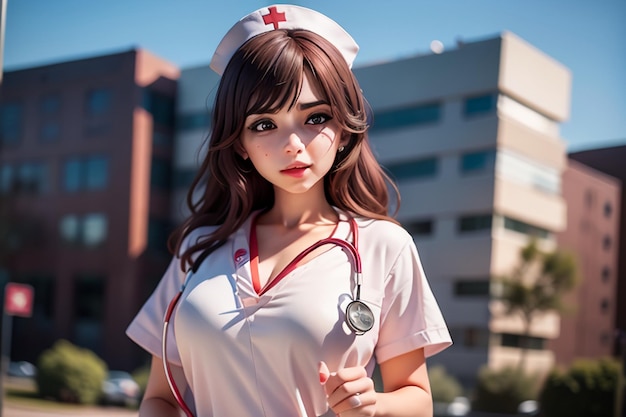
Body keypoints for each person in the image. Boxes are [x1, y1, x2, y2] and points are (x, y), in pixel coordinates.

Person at [126, 4, 452, 417]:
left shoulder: (385, 247)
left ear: (344, 128)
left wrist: (374, 405)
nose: (292, 144)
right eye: (264, 124)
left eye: (315, 117)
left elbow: (418, 399)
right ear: (240, 142)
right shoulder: (198, 249)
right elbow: (161, 399)